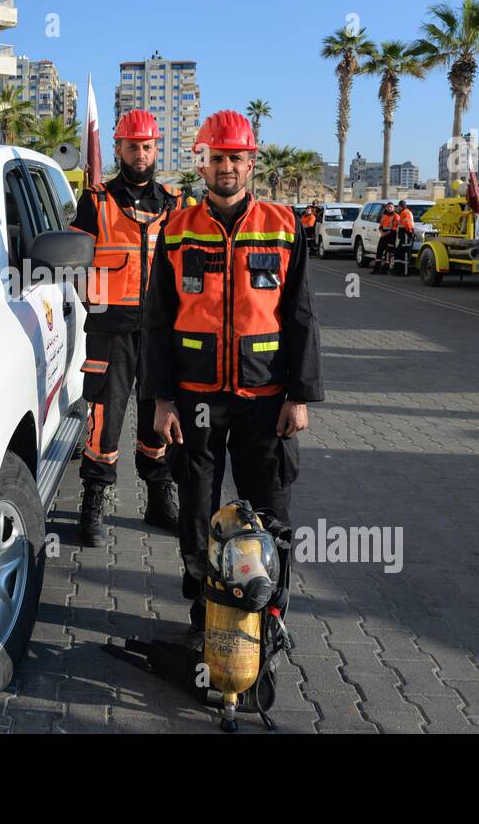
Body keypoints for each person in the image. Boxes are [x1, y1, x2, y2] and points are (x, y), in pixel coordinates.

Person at [143, 110, 324, 647]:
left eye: (236, 158)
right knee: (198, 506)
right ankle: (205, 608)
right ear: (203, 162)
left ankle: (269, 615)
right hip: (195, 398)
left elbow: (301, 315)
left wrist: (300, 394)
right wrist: (160, 399)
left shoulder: (284, 224)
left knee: (271, 508)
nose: (227, 166)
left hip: (265, 398)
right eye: (217, 157)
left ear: (251, 161)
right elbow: (156, 320)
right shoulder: (176, 229)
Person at [70, 109, 184, 546]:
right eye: (133, 145)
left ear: (157, 149)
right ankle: (93, 501)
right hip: (110, 329)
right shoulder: (95, 200)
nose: (141, 153)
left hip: (162, 333)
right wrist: (92, 303)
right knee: (105, 415)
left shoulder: (176, 203)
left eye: (148, 146)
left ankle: (159, 498)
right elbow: (72, 257)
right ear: (118, 148)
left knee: (160, 417)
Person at [372, 201, 397, 274]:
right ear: (386, 208)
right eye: (388, 207)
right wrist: (382, 232)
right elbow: (380, 226)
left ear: (394, 208)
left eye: (391, 207)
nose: (389, 208)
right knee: (379, 251)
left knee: (388, 253)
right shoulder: (384, 216)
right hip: (383, 235)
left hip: (391, 236)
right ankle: (376, 269)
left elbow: (394, 228)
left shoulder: (396, 216)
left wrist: (386, 233)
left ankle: (385, 269)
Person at [392, 200, 417, 275]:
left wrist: (410, 232)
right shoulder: (405, 212)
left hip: (406, 235)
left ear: (400, 206)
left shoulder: (405, 212)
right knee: (399, 252)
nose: (398, 208)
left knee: (404, 254)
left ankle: (403, 272)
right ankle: (398, 270)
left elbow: (408, 223)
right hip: (405, 235)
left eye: (398, 207)